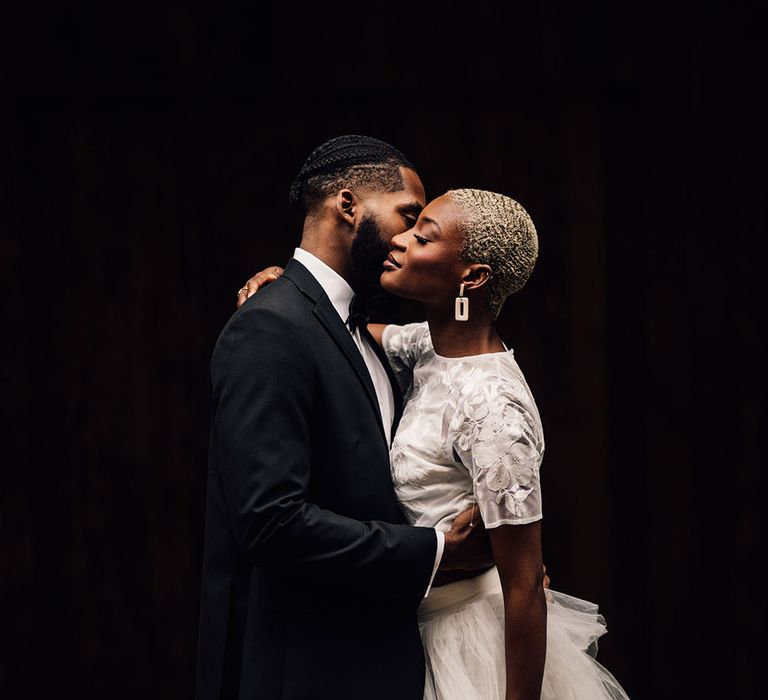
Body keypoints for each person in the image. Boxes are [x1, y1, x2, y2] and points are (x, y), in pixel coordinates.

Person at [243, 188, 630, 699]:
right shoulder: (428, 346)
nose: (398, 241)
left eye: (421, 237)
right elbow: (331, 334)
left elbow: (524, 585)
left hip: (468, 641)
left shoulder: (493, 406)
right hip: (405, 631)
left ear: (472, 277)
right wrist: (285, 292)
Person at [195, 135, 494, 700]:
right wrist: (437, 551)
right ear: (349, 204)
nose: (410, 239)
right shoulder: (271, 328)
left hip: (377, 659)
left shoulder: (366, 334)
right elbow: (270, 521)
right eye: (408, 216)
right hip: (303, 670)